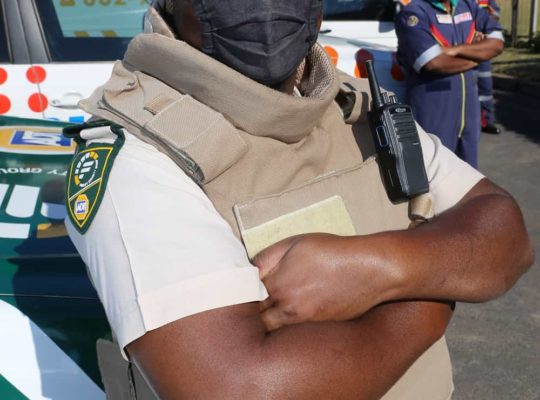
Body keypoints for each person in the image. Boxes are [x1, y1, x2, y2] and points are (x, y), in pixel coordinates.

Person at [64, 0, 533, 398]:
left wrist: (375, 267)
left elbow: (505, 231)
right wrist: (436, 292)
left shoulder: (357, 106)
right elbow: (240, 388)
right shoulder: (139, 155)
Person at [395, 0, 504, 167]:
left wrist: (458, 49)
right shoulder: (413, 13)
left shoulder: (467, 6)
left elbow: (497, 43)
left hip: (468, 114)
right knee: (435, 176)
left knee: (468, 176)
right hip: (433, 112)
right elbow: (434, 63)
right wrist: (478, 53)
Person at [477, 0, 502, 134]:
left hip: (482, 45)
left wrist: (486, 22)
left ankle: (486, 121)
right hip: (462, 44)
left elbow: (496, 13)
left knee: (485, 87)